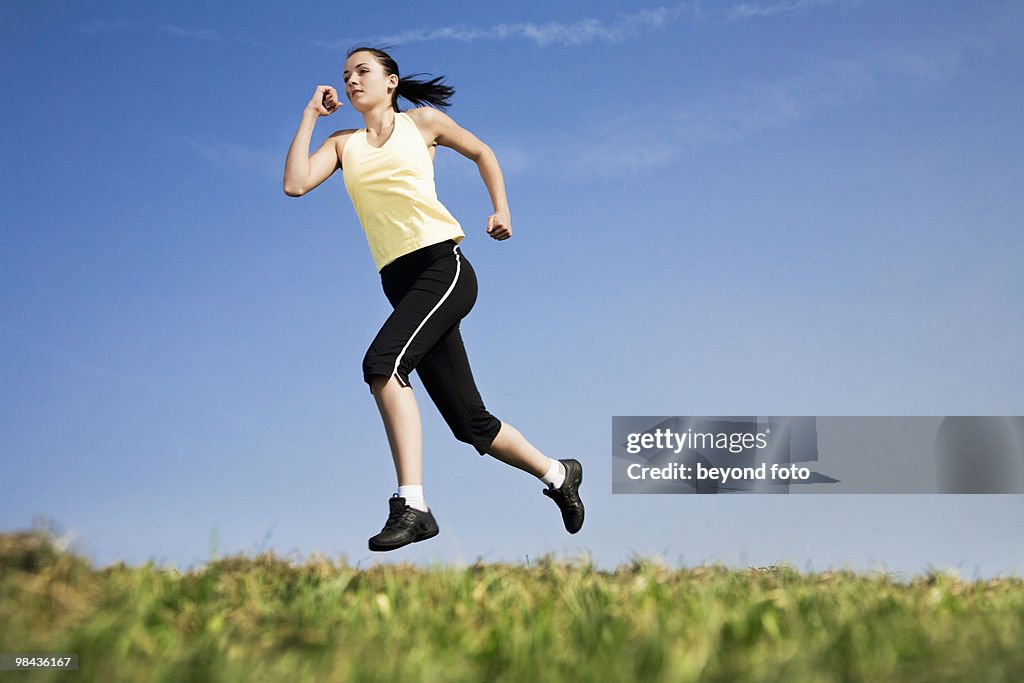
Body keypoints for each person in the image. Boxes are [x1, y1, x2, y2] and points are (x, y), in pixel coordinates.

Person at [283, 47, 584, 551]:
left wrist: (500, 209)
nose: (352, 80)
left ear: (391, 81)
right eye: (345, 75)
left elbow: (483, 152)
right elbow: (294, 184)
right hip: (399, 283)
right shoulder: (342, 144)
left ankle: (413, 505)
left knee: (383, 364)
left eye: (363, 71)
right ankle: (559, 473)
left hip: (442, 267)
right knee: (471, 424)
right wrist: (310, 115)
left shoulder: (422, 123)